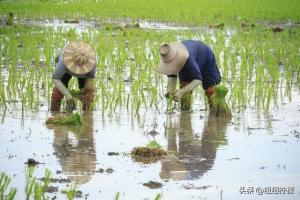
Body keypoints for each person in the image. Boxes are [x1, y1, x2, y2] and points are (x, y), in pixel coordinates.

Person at [158, 40, 221, 110]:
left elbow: (198, 80)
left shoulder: (189, 59)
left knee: (210, 90)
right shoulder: (169, 59)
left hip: (206, 58)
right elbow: (171, 76)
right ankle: (185, 114)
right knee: (184, 87)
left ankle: (215, 112)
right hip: (189, 58)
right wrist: (170, 91)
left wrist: (181, 92)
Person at [50, 41, 97, 113]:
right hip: (66, 71)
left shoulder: (92, 63)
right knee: (57, 92)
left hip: (84, 75)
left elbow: (89, 80)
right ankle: (54, 113)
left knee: (88, 95)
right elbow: (55, 78)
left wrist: (83, 93)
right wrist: (68, 95)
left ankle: (87, 115)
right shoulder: (63, 60)